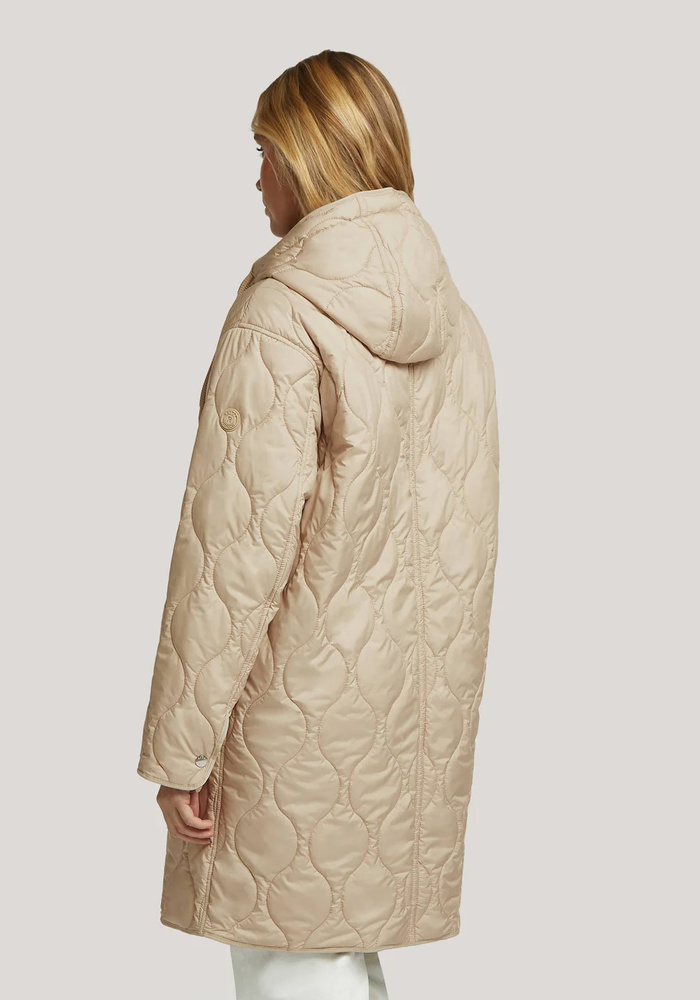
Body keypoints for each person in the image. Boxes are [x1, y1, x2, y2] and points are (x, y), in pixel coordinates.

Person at [136, 48, 500, 1000]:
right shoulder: (456, 323)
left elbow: (232, 555)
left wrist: (182, 747)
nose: (256, 178)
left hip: (286, 724)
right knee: (340, 957)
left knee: (289, 964)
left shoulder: (282, 315)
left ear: (308, 157)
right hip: (403, 728)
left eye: (264, 151)